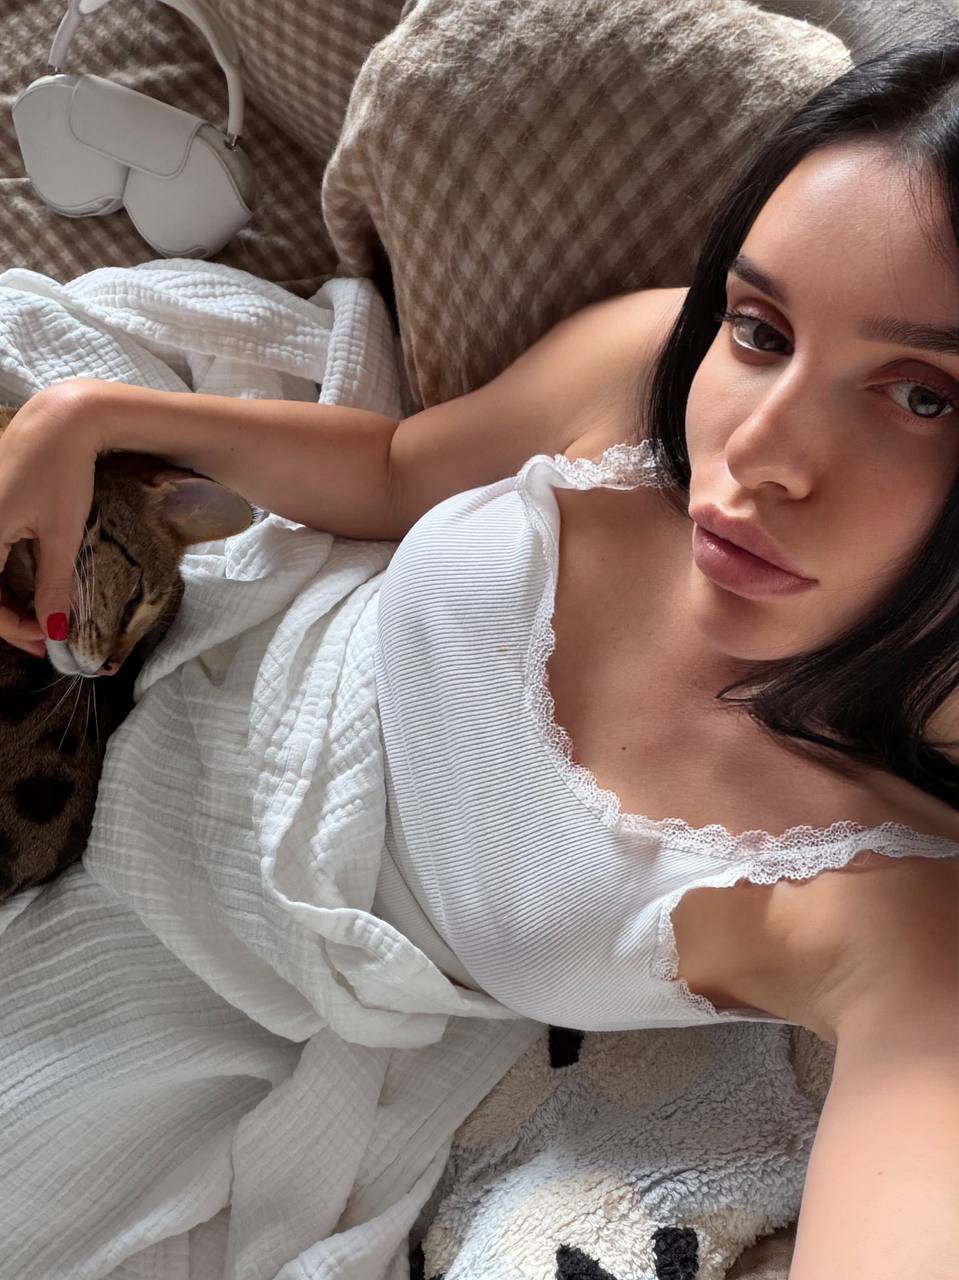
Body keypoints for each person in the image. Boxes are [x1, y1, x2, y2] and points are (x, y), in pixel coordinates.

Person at [0, 31, 957, 1279]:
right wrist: (95, 417)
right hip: (204, 618)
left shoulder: (890, 911)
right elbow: (398, 471)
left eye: (923, 395)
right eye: (760, 326)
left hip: (181, 993)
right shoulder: (650, 365)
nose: (756, 453)